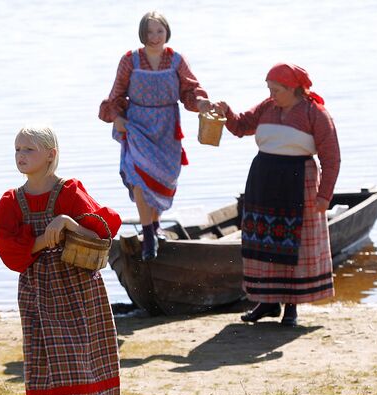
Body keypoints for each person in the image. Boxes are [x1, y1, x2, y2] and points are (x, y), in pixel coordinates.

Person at [0, 125, 123, 395]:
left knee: (90, 349)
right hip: (36, 287)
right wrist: (42, 240)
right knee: (42, 358)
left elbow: (104, 230)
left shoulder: (69, 191)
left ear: (50, 154)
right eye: (18, 149)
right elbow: (10, 252)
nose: (21, 156)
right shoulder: (11, 201)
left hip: (79, 283)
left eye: (29, 150)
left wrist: (66, 222)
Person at [215, 63, 341, 326]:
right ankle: (268, 303)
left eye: (276, 90)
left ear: (293, 88)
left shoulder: (314, 113)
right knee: (262, 241)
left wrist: (323, 196)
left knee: (293, 243)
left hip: (300, 180)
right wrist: (225, 111)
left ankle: (291, 308)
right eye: (269, 89)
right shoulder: (267, 108)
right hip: (264, 178)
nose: (272, 94)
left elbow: (332, 158)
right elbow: (240, 126)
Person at [99, 10, 215, 261]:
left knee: (164, 179)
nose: (154, 37)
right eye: (149, 31)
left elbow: (190, 90)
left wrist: (202, 103)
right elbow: (117, 94)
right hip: (137, 126)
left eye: (159, 31)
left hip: (166, 128)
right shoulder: (130, 60)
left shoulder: (176, 60)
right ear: (142, 33)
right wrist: (117, 117)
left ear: (167, 32)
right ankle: (149, 234)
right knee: (140, 177)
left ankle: (156, 223)